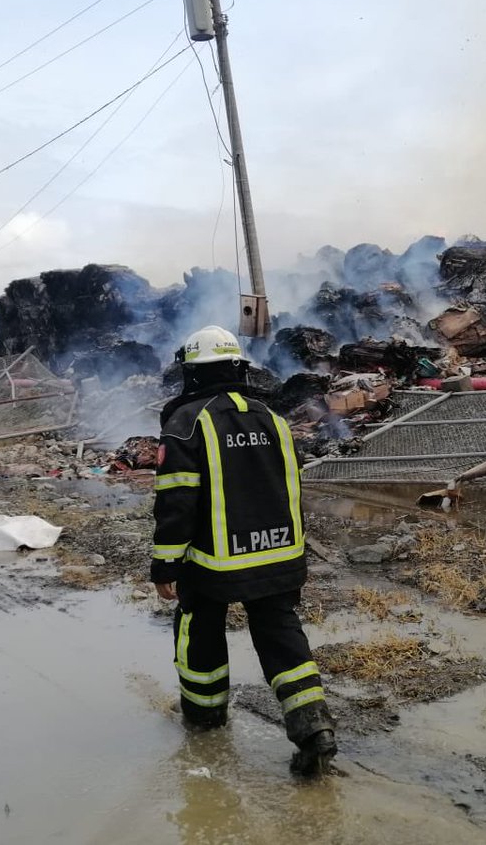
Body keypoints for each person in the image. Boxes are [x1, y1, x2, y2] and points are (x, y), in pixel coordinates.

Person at [150, 325, 337, 775]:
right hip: (278, 555)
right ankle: (313, 726)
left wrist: (165, 564)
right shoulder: (273, 419)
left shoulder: (185, 423)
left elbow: (176, 502)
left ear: (193, 372)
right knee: (281, 635)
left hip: (212, 564)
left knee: (199, 632)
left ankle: (204, 721)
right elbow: (288, 488)